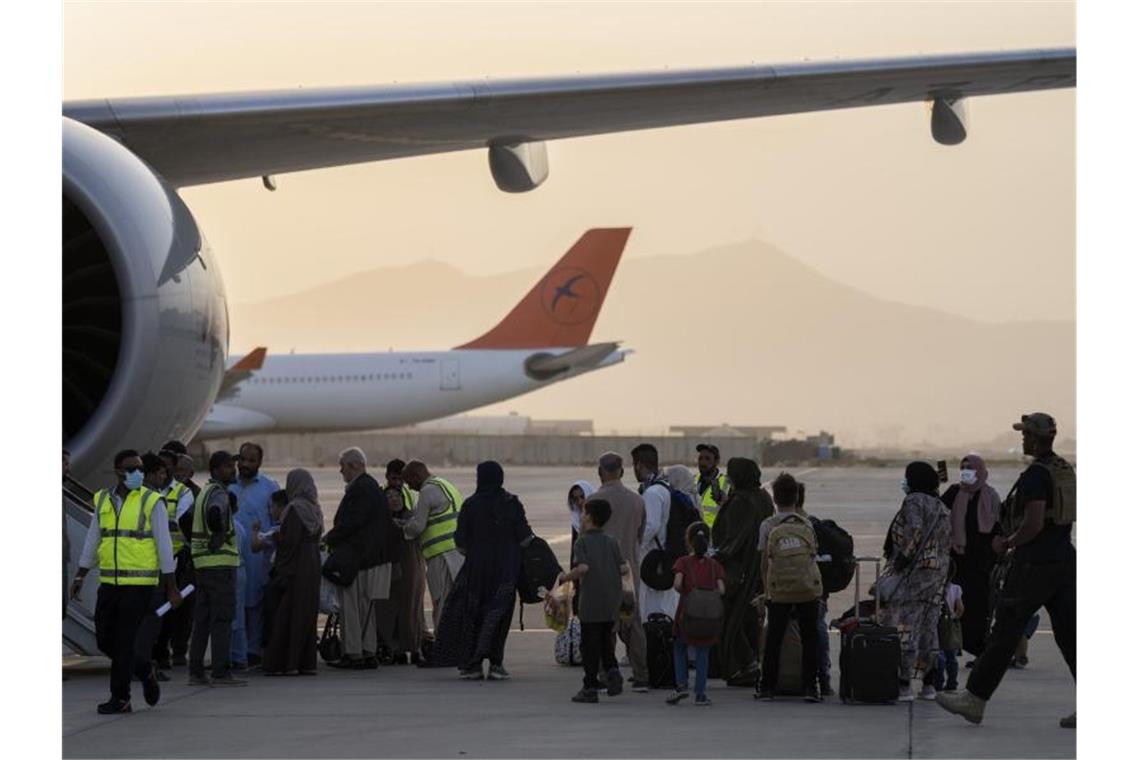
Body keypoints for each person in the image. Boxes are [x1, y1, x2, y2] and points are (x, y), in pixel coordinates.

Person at [938, 413, 1077, 728]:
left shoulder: (1036, 475)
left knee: (1004, 632)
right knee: (1071, 636)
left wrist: (1009, 543)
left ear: (1034, 437)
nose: (1022, 439)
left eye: (1025, 434)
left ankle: (974, 699)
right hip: (1064, 560)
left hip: (1034, 563)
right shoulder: (1063, 469)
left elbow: (1034, 520)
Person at [71, 450, 181, 713]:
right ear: (118, 471)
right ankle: (144, 669)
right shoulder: (103, 500)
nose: (137, 474)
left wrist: (171, 586)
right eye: (131, 469)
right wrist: (80, 573)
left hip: (140, 584)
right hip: (110, 582)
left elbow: (164, 545)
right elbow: (93, 539)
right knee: (104, 640)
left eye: (140, 469)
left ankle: (121, 698)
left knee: (122, 640)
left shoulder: (151, 501)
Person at [432, 462, 532, 680]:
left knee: (473, 617)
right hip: (506, 570)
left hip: (476, 571)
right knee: (499, 616)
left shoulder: (470, 505)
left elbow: (459, 542)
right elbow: (525, 537)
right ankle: (496, 663)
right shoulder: (512, 503)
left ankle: (472, 664)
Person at [878, 461, 952, 702]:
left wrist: (901, 560)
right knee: (929, 629)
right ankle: (929, 683)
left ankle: (904, 683)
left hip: (915, 574)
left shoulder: (914, 501)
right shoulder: (940, 505)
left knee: (906, 627)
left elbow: (915, 532)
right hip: (937, 574)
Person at [324, 447, 397, 669]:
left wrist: (329, 537)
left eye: (343, 466)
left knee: (351, 608)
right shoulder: (371, 486)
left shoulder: (360, 489)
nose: (340, 471)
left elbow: (352, 522)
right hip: (372, 558)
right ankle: (368, 651)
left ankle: (353, 654)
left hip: (359, 558)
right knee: (366, 609)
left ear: (354, 465)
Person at [755, 473, 823, 702]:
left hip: (779, 590)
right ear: (797, 497)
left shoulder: (768, 525)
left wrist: (766, 591)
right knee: (809, 637)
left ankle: (767, 687)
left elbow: (764, 562)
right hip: (805, 589)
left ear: (775, 499)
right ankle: (810, 687)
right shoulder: (806, 524)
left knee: (773, 638)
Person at [558, 498, 629, 703]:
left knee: (589, 646)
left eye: (584, 513)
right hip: (610, 600)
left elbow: (583, 568)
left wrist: (565, 578)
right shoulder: (612, 541)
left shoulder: (582, 542)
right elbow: (623, 568)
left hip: (591, 602)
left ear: (589, 517)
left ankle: (589, 686)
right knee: (606, 641)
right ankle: (612, 671)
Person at [592, 452, 650, 692]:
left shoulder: (594, 501)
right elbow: (640, 534)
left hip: (602, 574)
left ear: (600, 471)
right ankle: (641, 674)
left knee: (603, 625)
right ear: (622, 471)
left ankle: (605, 673)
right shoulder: (637, 500)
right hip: (628, 573)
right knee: (632, 624)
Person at [710, 457, 771, 686]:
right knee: (747, 619)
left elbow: (733, 539)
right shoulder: (762, 497)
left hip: (738, 570)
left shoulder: (742, 501)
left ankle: (744, 665)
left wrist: (715, 557)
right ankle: (750, 662)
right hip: (757, 568)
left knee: (729, 619)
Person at [188, 450, 246, 687]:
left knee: (202, 621)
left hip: (202, 565)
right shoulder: (220, 494)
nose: (233, 469)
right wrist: (219, 535)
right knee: (222, 619)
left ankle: (196, 672)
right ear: (215, 470)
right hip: (219, 565)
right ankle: (221, 672)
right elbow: (215, 513)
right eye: (227, 466)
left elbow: (187, 519)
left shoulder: (203, 492)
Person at [257, 469, 323, 676]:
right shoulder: (315, 508)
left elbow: (289, 542)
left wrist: (275, 539)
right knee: (306, 614)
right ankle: (306, 662)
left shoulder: (295, 508)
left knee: (288, 614)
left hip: (297, 566)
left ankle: (286, 663)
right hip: (312, 564)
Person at [942, 454, 1003, 660]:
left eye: (970, 467)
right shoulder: (953, 492)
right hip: (956, 561)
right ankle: (954, 646)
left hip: (981, 562)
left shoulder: (991, 496)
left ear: (980, 471)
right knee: (955, 605)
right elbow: (938, 513)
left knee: (978, 607)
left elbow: (998, 527)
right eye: (963, 467)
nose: (965, 471)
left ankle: (979, 650)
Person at [229, 442, 280, 667]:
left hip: (259, 557)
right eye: (243, 459)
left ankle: (253, 650)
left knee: (256, 603)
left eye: (251, 460)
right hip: (233, 557)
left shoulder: (269, 486)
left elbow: (278, 521)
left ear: (259, 463)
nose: (245, 464)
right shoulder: (228, 487)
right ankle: (236, 652)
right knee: (236, 605)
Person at [399, 461, 466, 631]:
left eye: (409, 481)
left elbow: (417, 526)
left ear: (416, 476)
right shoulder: (445, 484)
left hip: (441, 557)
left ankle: (445, 649)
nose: (409, 487)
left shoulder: (427, 491)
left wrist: (401, 527)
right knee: (458, 604)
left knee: (442, 603)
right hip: (458, 554)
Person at [666, 521, 726, 706]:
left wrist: (688, 591)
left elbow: (677, 584)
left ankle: (682, 684)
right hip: (708, 616)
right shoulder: (714, 565)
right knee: (703, 652)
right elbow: (722, 589)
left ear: (688, 541)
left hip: (687, 613)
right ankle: (700, 694)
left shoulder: (683, 562)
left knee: (679, 647)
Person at [151, 446, 196, 671]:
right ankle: (156, 651)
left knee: (174, 609)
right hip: (149, 559)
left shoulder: (183, 492)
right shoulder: (144, 493)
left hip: (176, 559)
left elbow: (179, 522)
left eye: (167, 468)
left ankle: (169, 651)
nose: (165, 472)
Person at [384, 459, 428, 664]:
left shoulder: (411, 501)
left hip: (411, 563)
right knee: (390, 608)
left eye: (400, 480)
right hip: (392, 565)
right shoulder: (382, 512)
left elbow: (416, 527)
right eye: (393, 480)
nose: (394, 496)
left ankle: (414, 646)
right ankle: (395, 648)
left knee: (412, 608)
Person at [631, 443, 680, 623]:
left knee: (653, 613)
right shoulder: (664, 487)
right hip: (665, 557)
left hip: (654, 561)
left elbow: (650, 526)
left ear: (639, 465)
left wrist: (634, 545)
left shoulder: (652, 492)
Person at [566, 479, 595, 617]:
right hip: (580, 572)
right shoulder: (576, 520)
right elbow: (574, 549)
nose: (579, 502)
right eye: (575, 499)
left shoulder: (599, 518)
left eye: (582, 497)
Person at [695, 444, 729, 527]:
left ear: (717, 461)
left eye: (707, 459)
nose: (702, 463)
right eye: (700, 458)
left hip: (716, 535)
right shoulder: (692, 481)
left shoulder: (727, 484)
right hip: (695, 534)